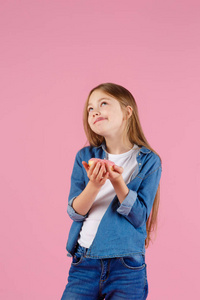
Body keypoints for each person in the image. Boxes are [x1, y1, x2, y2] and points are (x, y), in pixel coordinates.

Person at [60, 82, 162, 300]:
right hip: (84, 262)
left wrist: (118, 182)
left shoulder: (149, 161)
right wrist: (94, 185)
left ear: (127, 111)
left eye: (103, 103)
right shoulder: (84, 156)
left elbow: (140, 217)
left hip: (126, 267)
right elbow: (75, 212)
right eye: (90, 108)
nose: (95, 110)